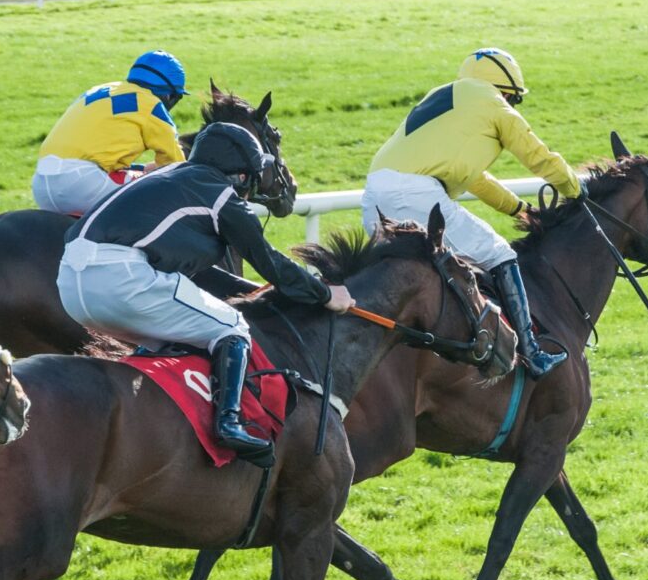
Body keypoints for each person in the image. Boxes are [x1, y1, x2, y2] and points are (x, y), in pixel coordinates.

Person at [58, 122, 354, 464]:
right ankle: (229, 423)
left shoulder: (171, 177)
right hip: (122, 277)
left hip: (71, 283)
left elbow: (199, 271)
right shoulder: (222, 196)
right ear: (242, 176)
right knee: (231, 327)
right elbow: (270, 261)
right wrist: (324, 294)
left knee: (179, 334)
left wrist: (251, 289)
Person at [362, 48, 581, 377]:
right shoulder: (491, 101)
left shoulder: (450, 100)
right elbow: (539, 156)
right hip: (416, 195)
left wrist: (519, 208)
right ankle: (532, 353)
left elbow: (477, 180)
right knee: (500, 255)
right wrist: (577, 190)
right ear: (505, 90)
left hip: (373, 196)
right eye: (514, 100)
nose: (512, 105)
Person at [33, 50, 190, 217]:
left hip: (41, 184)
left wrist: (143, 167)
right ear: (169, 95)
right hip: (82, 184)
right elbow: (176, 166)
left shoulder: (98, 89)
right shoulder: (151, 104)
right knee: (157, 191)